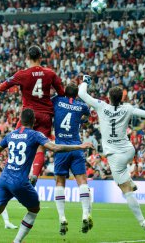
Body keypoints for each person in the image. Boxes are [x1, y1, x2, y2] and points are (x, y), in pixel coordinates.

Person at [0, 108, 93, 243]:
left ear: (20, 120)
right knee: (34, 209)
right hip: (19, 181)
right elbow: (55, 148)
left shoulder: (11, 135)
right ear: (34, 121)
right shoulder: (35, 135)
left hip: (4, 178)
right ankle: (16, 241)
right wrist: (79, 147)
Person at [78, 75, 145, 238]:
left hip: (114, 156)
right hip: (129, 151)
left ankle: (142, 221)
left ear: (109, 97)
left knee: (126, 190)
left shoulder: (101, 106)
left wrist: (86, 80)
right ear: (121, 98)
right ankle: (131, 181)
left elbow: (82, 94)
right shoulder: (127, 108)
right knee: (126, 178)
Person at [0, 45, 65, 184]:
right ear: (41, 57)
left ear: (27, 58)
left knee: (16, 141)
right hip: (45, 115)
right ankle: (34, 175)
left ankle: (7, 177)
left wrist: (18, 85)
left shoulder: (22, 74)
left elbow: (2, 87)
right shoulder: (50, 73)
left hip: (28, 115)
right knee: (40, 147)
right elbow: (62, 93)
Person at [52, 84, 92, 235]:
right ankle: (85, 214)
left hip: (60, 148)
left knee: (60, 182)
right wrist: (81, 122)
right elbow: (87, 117)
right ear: (76, 95)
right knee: (82, 181)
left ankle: (62, 217)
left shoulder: (56, 100)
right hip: (77, 147)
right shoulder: (81, 105)